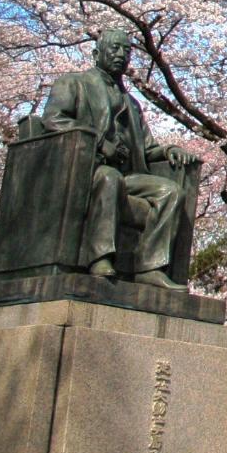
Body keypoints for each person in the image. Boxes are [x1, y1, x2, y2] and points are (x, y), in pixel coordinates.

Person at [41, 27, 196, 288]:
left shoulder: (131, 103)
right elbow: (53, 119)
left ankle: (149, 267)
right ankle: (100, 258)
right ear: (96, 54)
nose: (121, 55)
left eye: (126, 50)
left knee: (171, 192)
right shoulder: (74, 83)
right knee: (109, 178)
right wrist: (100, 143)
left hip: (128, 175)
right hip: (86, 168)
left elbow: (147, 148)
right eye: (114, 48)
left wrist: (168, 150)